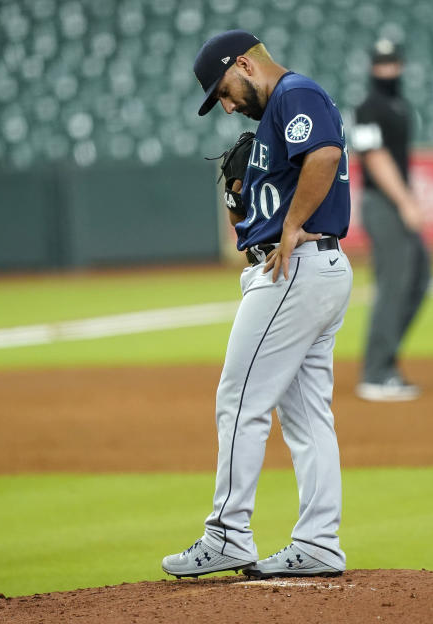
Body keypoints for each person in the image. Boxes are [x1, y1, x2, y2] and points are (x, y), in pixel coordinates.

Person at [161, 30, 353, 579]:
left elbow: (324, 153)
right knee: (306, 414)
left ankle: (227, 534)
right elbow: (255, 216)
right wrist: (249, 203)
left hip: (294, 269)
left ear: (244, 64)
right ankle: (318, 542)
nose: (225, 106)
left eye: (223, 91)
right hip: (313, 270)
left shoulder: (296, 93)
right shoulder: (272, 119)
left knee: (238, 398)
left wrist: (290, 225)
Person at [352, 39, 432, 402]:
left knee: (418, 279)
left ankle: (385, 360)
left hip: (396, 201)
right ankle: (376, 372)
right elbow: (372, 156)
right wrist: (404, 201)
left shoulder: (400, 105)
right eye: (382, 63)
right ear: (373, 67)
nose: (388, 69)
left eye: (393, 63)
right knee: (394, 284)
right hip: (382, 203)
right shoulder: (368, 107)